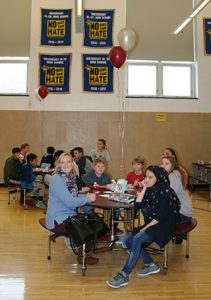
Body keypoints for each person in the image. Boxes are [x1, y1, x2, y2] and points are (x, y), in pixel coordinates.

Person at [106, 166, 180, 289]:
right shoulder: (151, 189)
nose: (147, 179)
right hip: (154, 222)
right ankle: (151, 264)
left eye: (151, 177)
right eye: (146, 176)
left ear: (159, 178)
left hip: (165, 224)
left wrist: (145, 228)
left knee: (137, 238)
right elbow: (137, 205)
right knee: (127, 240)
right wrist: (144, 188)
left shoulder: (165, 191)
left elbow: (162, 216)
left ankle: (124, 274)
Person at [45, 153, 99, 265]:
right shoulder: (57, 179)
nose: (66, 165)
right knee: (90, 227)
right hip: (58, 219)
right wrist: (87, 199)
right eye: (62, 162)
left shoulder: (70, 178)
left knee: (96, 223)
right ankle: (83, 255)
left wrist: (86, 197)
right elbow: (69, 201)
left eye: (68, 161)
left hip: (68, 215)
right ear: (58, 164)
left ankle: (83, 252)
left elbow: (72, 196)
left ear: (72, 163)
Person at [161, 156, 194, 243]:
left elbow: (169, 195)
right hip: (184, 211)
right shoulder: (175, 173)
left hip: (182, 213)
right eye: (162, 163)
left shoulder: (173, 175)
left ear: (173, 165)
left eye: (166, 163)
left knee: (156, 216)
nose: (163, 166)